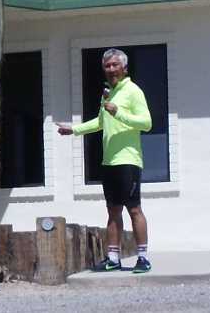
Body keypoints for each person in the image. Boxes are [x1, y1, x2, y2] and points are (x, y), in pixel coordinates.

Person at [57, 48, 152, 273]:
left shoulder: (133, 91)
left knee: (134, 209)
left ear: (124, 68)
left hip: (128, 160)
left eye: (114, 65)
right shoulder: (107, 93)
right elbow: (100, 122)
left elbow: (147, 123)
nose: (111, 69)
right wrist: (74, 129)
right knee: (113, 210)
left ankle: (143, 258)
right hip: (109, 162)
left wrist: (118, 112)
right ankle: (113, 258)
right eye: (107, 66)